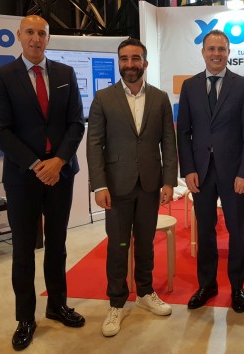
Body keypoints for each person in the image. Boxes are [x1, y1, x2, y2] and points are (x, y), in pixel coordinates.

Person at [0, 15, 85, 351]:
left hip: (61, 173)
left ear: (48, 38)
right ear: (19, 36)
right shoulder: (2, 77)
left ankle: (57, 305)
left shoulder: (64, 74)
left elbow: (76, 123)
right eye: (29, 32)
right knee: (24, 249)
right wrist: (35, 164)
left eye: (41, 33)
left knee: (57, 245)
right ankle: (25, 318)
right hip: (22, 177)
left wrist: (58, 161)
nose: (35, 38)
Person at [87, 38, 178, 337]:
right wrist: (99, 184)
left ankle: (145, 292)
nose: (129, 64)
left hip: (151, 185)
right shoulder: (103, 98)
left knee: (146, 241)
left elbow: (169, 142)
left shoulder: (160, 98)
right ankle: (116, 302)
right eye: (124, 59)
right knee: (118, 244)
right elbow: (94, 144)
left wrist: (168, 180)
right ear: (119, 62)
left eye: (135, 58)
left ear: (145, 63)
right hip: (116, 186)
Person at [177, 29, 244, 313]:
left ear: (228, 52)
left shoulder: (243, 86)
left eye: (221, 49)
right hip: (201, 172)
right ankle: (207, 284)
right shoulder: (189, 86)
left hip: (235, 173)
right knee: (206, 230)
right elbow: (183, 132)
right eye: (211, 49)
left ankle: (236, 287)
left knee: (237, 230)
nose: (216, 54)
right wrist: (187, 169)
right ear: (203, 52)